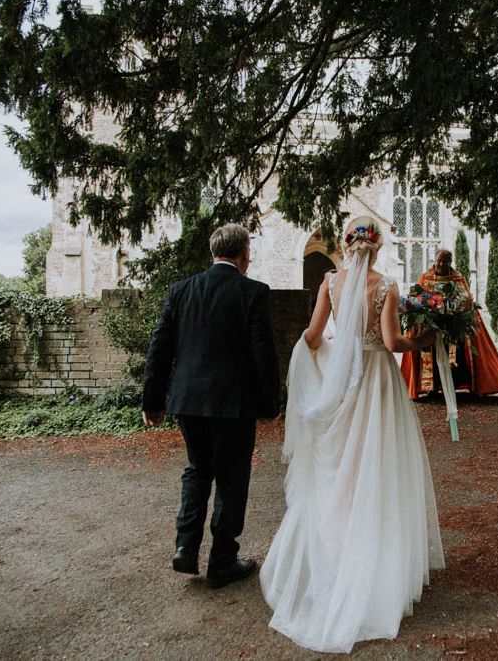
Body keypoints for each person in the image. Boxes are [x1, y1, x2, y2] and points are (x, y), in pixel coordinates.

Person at [259, 219, 445, 654]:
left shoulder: (329, 282)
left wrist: (315, 361)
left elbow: (311, 334)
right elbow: (392, 341)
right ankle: (377, 558)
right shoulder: (387, 286)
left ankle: (339, 549)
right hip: (378, 383)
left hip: (345, 384)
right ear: (377, 249)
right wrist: (424, 340)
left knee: (341, 466)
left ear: (346, 247)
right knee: (376, 464)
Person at [142, 223, 280, 588]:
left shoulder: (181, 290)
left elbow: (160, 348)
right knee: (232, 478)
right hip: (234, 404)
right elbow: (263, 353)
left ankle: (185, 547)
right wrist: (271, 403)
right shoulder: (253, 292)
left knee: (198, 470)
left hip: (188, 401)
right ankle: (222, 559)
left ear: (213, 252)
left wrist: (153, 401)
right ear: (243, 253)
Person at [401, 249, 498, 399]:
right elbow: (418, 298)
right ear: (435, 260)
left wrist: (454, 307)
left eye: (446, 261)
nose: (442, 263)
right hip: (431, 327)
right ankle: (431, 388)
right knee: (431, 356)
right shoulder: (426, 277)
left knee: (456, 356)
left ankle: (453, 386)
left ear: (450, 262)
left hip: (453, 326)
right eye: (439, 260)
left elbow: (466, 298)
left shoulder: (457, 278)